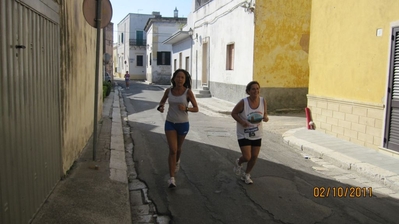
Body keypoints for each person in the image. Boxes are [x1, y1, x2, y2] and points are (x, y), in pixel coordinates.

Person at [157, 69, 199, 188]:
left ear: (185, 80)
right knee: (173, 150)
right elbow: (162, 101)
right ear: (174, 78)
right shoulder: (168, 91)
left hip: (183, 124)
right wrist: (161, 107)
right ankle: (172, 178)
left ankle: (177, 161)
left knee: (178, 149)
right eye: (178, 77)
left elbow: (196, 108)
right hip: (170, 123)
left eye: (182, 78)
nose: (180, 79)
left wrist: (186, 108)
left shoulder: (188, 92)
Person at [231, 81, 269, 184]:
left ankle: (247, 175)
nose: (256, 91)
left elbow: (265, 113)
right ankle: (239, 162)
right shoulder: (243, 102)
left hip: (257, 133)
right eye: (253, 89)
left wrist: (265, 117)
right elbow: (233, 113)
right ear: (248, 91)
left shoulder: (262, 101)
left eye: (257, 89)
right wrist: (242, 122)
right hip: (244, 133)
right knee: (247, 157)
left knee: (254, 156)